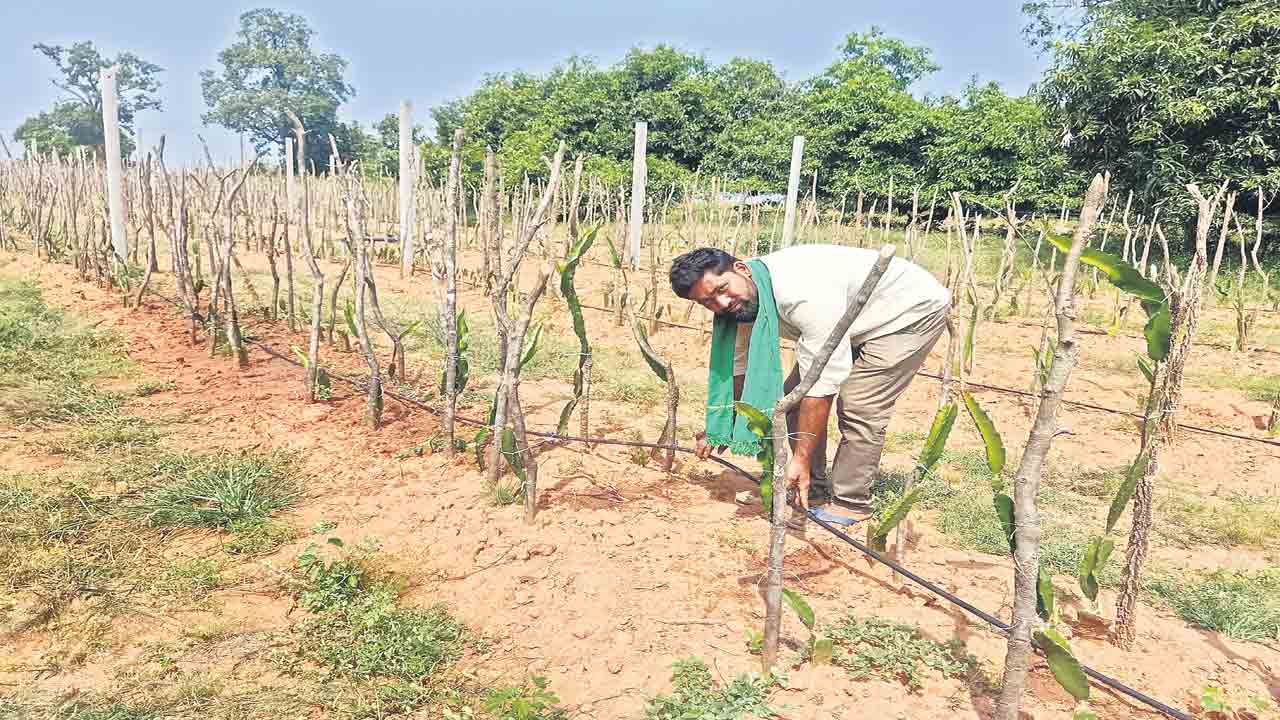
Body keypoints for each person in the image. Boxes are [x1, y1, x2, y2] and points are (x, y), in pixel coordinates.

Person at [669, 244, 950, 526]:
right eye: (708, 302)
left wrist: (801, 457)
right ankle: (812, 490)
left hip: (905, 312)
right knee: (791, 403)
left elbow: (820, 386)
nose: (722, 304)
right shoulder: (744, 300)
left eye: (721, 289)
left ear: (741, 268)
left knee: (860, 405)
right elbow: (739, 365)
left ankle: (850, 502)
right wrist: (723, 424)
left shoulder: (802, 295)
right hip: (851, 313)